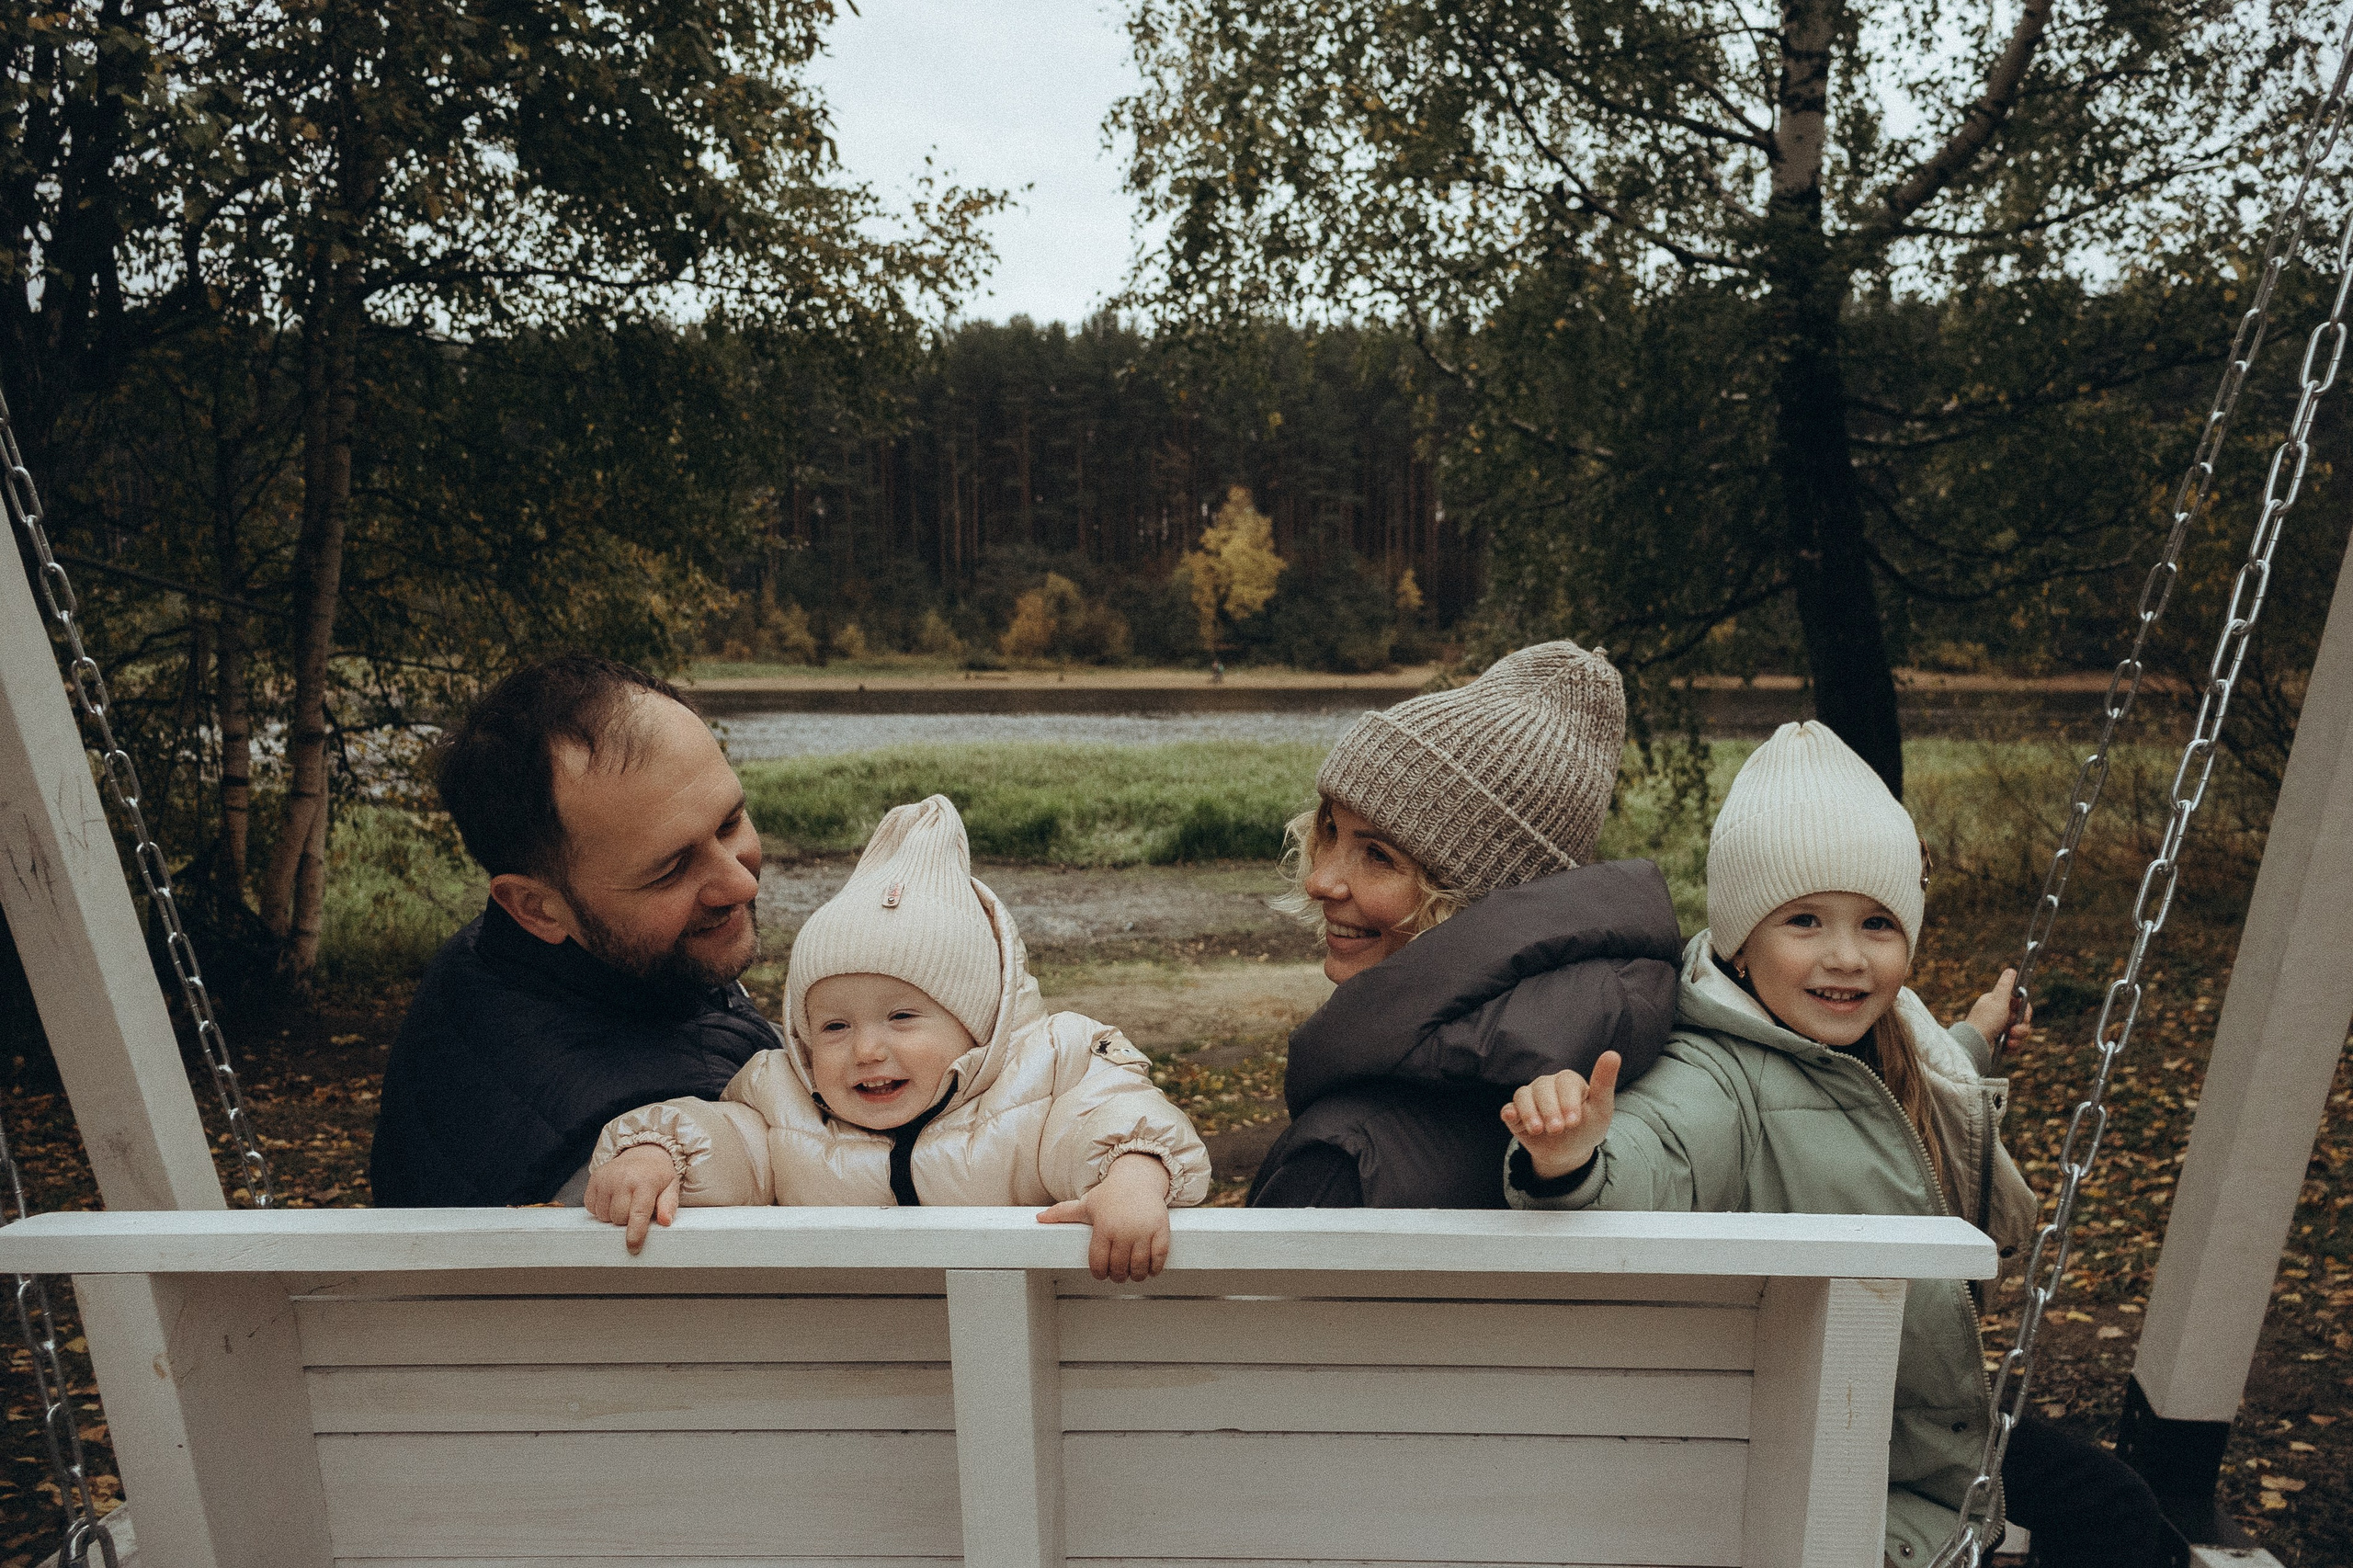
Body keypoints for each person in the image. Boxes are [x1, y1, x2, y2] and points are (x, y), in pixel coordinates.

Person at [1502, 720, 2163, 1568]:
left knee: (2118, 1508)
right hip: (1834, 1439)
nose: (1846, 957)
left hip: (1914, 1415)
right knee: (2111, 1520)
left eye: (1878, 924)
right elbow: (1653, 1158)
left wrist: (1974, 1040)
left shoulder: (1890, 1041)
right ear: (1742, 944)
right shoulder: (1716, 1072)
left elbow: (1872, 1111)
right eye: (1806, 920)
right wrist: (1571, 1158)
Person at [584, 794, 1211, 1282]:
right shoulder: (782, 1106)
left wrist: (1130, 1175)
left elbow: (1106, 1110)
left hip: (1023, 1339)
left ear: (978, 1024)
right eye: (833, 1026)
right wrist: (658, 1153)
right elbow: (729, 1142)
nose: (866, 1050)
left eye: (903, 1018)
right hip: (863, 1363)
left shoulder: (1044, 1074)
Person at [1247, 640, 1685, 1210]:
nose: (1320, 880)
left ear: (1473, 902)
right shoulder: (1630, 1087)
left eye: (1379, 856)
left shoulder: (1344, 1166)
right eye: (1329, 831)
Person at [370, 655, 778, 1207]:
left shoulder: (500, 960)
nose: (739, 884)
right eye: (669, 870)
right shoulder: (637, 1170)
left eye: (730, 822)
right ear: (535, 908)